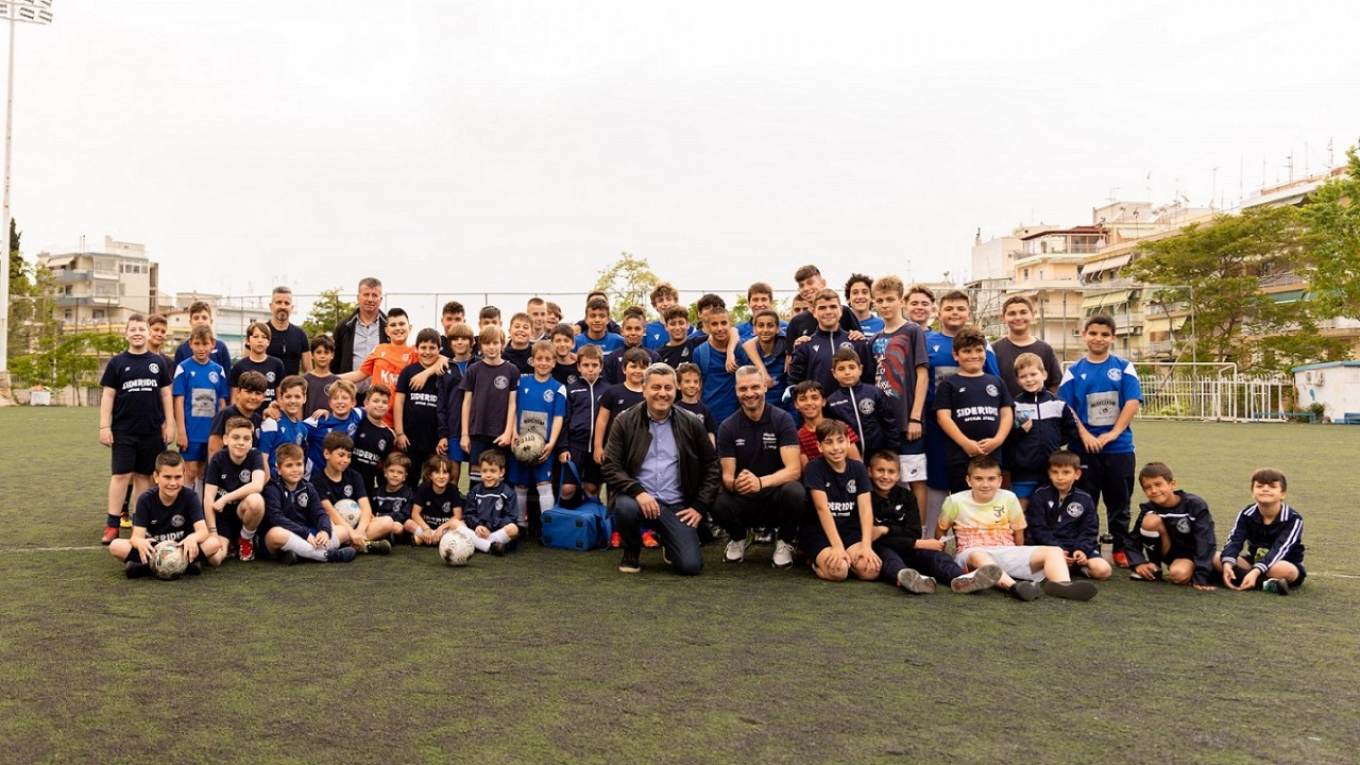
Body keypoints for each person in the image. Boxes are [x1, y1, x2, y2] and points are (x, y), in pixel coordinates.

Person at [602, 362, 721, 575]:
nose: (662, 393)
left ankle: (669, 539)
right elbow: (611, 465)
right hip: (638, 499)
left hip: (676, 505)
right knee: (625, 508)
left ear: (676, 390)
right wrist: (638, 491)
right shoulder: (624, 420)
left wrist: (700, 506)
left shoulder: (691, 422)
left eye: (668, 388)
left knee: (690, 567)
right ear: (644, 389)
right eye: (656, 387)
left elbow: (712, 465)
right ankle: (631, 550)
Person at [937, 456, 1099, 601]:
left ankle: (1063, 585)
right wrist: (940, 558)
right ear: (968, 480)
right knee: (978, 555)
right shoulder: (954, 501)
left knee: (1054, 550)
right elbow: (941, 531)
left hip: (1007, 550)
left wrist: (1020, 554)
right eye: (978, 479)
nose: (985, 484)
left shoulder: (1009, 497)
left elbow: (1018, 530)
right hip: (971, 552)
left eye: (991, 479)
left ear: (1000, 480)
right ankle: (1014, 587)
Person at [1058, 314, 1142, 568]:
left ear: (1113, 338)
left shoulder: (1124, 367)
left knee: (1119, 501)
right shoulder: (1073, 372)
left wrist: (1113, 433)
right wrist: (1084, 434)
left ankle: (1120, 547)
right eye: (1093, 333)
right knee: (1085, 501)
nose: (1098, 338)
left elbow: (1132, 401)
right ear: (1084, 335)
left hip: (1119, 448)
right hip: (1083, 449)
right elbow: (1066, 407)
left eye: (1105, 334)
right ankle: (1086, 546)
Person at [866, 450, 1001, 594]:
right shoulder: (866, 497)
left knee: (938, 556)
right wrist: (914, 542)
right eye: (880, 470)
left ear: (899, 475)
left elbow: (914, 532)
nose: (885, 476)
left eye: (891, 472)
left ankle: (962, 578)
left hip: (910, 549)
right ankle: (910, 580)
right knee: (889, 558)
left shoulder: (907, 496)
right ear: (869, 471)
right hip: (882, 550)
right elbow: (874, 539)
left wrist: (886, 530)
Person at [712, 367, 806, 569]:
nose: (749, 393)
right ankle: (738, 537)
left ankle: (784, 541)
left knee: (795, 492)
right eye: (743, 389)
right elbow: (727, 476)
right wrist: (736, 483)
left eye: (755, 387)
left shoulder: (783, 419)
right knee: (717, 500)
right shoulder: (728, 426)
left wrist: (761, 482)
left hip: (775, 496)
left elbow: (794, 470)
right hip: (745, 496)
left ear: (764, 386)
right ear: (736, 391)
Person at [99, 314, 175, 544]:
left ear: (148, 333)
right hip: (123, 431)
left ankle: (138, 524)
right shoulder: (117, 362)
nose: (137, 333)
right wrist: (104, 426)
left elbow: (166, 394)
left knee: (144, 477)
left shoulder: (157, 362)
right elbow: (108, 395)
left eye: (141, 329)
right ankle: (112, 524)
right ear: (126, 334)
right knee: (121, 475)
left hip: (151, 431)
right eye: (133, 329)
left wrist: (169, 423)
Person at [110, 451, 220, 577]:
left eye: (178, 477)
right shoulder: (145, 499)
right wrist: (139, 542)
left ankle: (145, 567)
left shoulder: (190, 497)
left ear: (184, 476)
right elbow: (136, 537)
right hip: (153, 550)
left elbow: (203, 531)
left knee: (214, 543)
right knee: (116, 546)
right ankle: (186, 565)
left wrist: (193, 538)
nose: (172, 483)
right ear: (156, 477)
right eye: (167, 477)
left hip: (182, 548)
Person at [872, 275, 929, 514]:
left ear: (901, 301)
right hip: (884, 423)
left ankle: (920, 531)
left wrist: (915, 417)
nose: (885, 304)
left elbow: (923, 375)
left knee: (915, 479)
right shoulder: (875, 339)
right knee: (885, 480)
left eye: (890, 299)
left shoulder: (912, 331)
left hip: (908, 422)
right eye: (880, 300)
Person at [933, 325, 1013, 494]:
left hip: (992, 454)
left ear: (985, 352)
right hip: (960, 456)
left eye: (978, 350)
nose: (973, 355)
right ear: (956, 355)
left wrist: (997, 440)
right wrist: (965, 443)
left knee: (989, 500)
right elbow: (943, 417)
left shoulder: (997, 382)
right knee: (963, 502)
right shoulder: (948, 385)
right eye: (967, 351)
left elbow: (1007, 414)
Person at [800, 420, 880, 582]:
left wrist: (866, 546)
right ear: (820, 446)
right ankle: (811, 560)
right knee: (839, 571)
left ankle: (848, 560)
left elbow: (866, 509)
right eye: (829, 442)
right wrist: (837, 546)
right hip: (820, 533)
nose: (836, 447)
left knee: (871, 570)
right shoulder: (814, 468)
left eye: (840, 441)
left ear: (848, 442)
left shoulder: (858, 468)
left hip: (849, 532)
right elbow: (822, 508)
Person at [1125, 462, 1217, 590]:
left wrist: (1201, 577)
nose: (1154, 491)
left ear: (1172, 484)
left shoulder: (1195, 505)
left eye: (1158, 484)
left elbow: (1205, 541)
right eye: (1148, 487)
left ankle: (1206, 570)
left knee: (1223, 563)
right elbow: (1132, 541)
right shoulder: (1149, 510)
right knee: (1150, 521)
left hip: (1194, 553)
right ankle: (1155, 568)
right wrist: (1138, 563)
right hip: (1174, 556)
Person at [261, 443, 357, 564]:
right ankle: (326, 556)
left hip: (307, 535)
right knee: (275, 534)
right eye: (289, 465)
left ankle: (302, 555)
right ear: (279, 470)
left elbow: (320, 513)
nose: (295, 469)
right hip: (285, 536)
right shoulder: (272, 488)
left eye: (299, 464)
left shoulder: (308, 487)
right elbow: (276, 518)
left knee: (342, 531)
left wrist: (324, 531)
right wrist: (305, 534)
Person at [1215, 467, 1306, 595]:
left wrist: (1256, 571)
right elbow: (1235, 540)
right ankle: (1263, 584)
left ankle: (1245, 577)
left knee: (1280, 569)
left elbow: (1280, 549)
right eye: (1259, 486)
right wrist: (1228, 564)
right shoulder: (1246, 514)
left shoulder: (1293, 519)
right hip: (1253, 561)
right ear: (1253, 492)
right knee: (1215, 557)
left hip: (1283, 563)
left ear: (1282, 494)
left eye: (1272, 486)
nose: (1265, 489)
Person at [1024, 451, 1113, 581]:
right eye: (1055, 472)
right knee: (1038, 564)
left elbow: (1089, 529)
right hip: (1050, 547)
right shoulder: (1040, 495)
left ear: (1077, 474)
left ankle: (1079, 566)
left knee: (1103, 570)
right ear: (1049, 474)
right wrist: (1058, 549)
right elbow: (1038, 528)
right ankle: (1061, 566)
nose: (1060, 477)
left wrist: (1081, 550)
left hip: (1077, 546)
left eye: (1066, 472)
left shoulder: (1085, 498)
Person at [1007, 352, 1078, 507]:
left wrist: (1055, 441)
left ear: (1044, 374)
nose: (1029, 379)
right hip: (1023, 472)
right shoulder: (1016, 406)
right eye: (1023, 376)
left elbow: (1072, 429)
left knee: (1050, 509)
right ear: (1018, 380)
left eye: (1033, 374)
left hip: (1051, 470)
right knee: (1022, 510)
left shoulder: (1057, 403)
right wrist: (1020, 431)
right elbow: (1007, 436)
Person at [509, 340, 567, 526]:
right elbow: (513, 409)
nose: (543, 363)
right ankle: (520, 525)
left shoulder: (558, 388)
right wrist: (513, 433)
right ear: (532, 361)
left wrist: (552, 444)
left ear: (554, 362)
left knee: (544, 485)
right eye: (539, 359)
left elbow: (558, 418)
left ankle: (548, 527)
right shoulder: (521, 383)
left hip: (544, 447)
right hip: (521, 444)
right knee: (521, 485)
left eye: (548, 359)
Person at [311, 431, 395, 555]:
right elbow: (330, 511)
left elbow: (366, 508)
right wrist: (351, 533)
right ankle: (365, 545)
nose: (345, 460)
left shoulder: (354, 476)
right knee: (333, 526)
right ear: (327, 453)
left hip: (356, 526)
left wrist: (359, 532)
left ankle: (353, 544)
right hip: (337, 527)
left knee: (387, 522)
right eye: (341, 455)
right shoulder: (317, 481)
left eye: (349, 456)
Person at [172, 324, 231, 494]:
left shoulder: (218, 370)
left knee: (205, 472)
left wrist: (222, 431)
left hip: (212, 432)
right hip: (191, 431)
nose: (201, 348)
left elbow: (222, 403)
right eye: (197, 344)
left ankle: (201, 509)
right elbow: (178, 401)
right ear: (190, 344)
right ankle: (188, 508)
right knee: (190, 471)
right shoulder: (183, 368)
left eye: (205, 344)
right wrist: (181, 432)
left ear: (213, 344)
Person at [202, 416, 268, 564]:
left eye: (246, 438)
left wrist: (226, 498)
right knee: (215, 559)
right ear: (225, 439)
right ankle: (229, 543)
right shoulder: (218, 459)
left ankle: (245, 539)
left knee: (256, 501)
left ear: (251, 441)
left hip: (243, 513)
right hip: (222, 517)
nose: (241, 442)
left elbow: (257, 485)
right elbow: (208, 497)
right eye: (236, 437)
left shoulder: (255, 455)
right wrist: (212, 531)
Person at [459, 325, 520, 483]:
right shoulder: (473, 370)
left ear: (502, 344)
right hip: (477, 432)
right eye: (487, 343)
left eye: (495, 342)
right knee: (476, 476)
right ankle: (475, 500)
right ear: (481, 346)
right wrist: (465, 435)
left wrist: (508, 432)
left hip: (501, 434)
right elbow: (466, 403)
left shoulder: (512, 370)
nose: (491, 347)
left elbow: (513, 403)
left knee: (497, 476)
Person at [787, 288, 873, 396]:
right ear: (814, 312)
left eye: (833, 307)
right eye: (822, 308)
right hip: (818, 406)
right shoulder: (804, 346)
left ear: (841, 310)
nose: (828, 312)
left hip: (853, 405)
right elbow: (795, 384)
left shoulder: (857, 342)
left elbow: (869, 380)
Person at [825, 347, 897, 456]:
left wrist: (892, 452)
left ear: (860, 369)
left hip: (878, 456)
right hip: (849, 458)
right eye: (841, 369)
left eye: (852, 367)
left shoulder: (875, 393)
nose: (847, 372)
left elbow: (889, 424)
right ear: (834, 373)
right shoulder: (831, 402)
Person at [394, 328, 445, 480]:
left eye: (432, 348)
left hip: (434, 440)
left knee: (432, 482)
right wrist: (400, 433)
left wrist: (444, 436)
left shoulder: (443, 373)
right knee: (410, 479)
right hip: (410, 439)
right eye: (423, 347)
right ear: (416, 349)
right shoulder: (408, 371)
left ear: (439, 349)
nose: (427, 352)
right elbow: (399, 402)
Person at [559, 344, 607, 502]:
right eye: (586, 365)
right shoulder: (571, 390)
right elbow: (564, 421)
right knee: (567, 489)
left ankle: (590, 517)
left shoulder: (608, 390)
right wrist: (563, 448)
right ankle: (566, 515)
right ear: (578, 367)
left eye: (594, 365)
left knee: (591, 488)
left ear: (601, 367)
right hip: (575, 445)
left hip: (597, 447)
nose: (590, 369)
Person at [991, 295, 1061, 396]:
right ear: (1003, 318)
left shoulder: (1045, 349)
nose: (1018, 318)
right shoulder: (993, 350)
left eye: (1023, 312)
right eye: (1012, 313)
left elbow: (1055, 386)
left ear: (1033, 314)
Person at [435, 323, 476, 485]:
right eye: (455, 339)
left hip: (477, 429)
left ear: (472, 342)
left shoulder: (480, 364)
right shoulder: (444, 368)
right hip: (453, 429)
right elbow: (441, 404)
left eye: (464, 338)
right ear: (450, 343)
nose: (459, 342)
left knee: (477, 478)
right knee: (452, 478)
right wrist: (443, 434)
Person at [457, 450, 520, 556]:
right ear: (480, 471)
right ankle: (491, 546)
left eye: (493, 471)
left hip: (496, 531)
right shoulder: (475, 491)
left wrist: (489, 527)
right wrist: (478, 525)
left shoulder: (508, 492)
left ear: (501, 472)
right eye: (484, 471)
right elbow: (468, 514)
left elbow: (511, 517)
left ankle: (479, 544)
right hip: (478, 531)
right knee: (455, 523)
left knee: (513, 529)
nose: (488, 475)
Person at [593, 348, 650, 466]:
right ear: (624, 369)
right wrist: (598, 446)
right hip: (615, 448)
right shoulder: (612, 392)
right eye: (633, 366)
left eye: (642, 367)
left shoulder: (650, 394)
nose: (638, 371)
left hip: (643, 450)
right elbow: (602, 420)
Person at [691, 303, 746, 424]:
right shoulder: (700, 353)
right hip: (710, 416)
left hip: (739, 419)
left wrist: (730, 352)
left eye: (724, 323)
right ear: (708, 327)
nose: (720, 328)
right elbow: (697, 387)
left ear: (730, 324)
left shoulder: (741, 349)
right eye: (714, 324)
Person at [301, 377, 364, 479]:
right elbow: (293, 428)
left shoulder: (358, 414)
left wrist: (389, 430)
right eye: (335, 398)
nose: (340, 401)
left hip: (340, 478)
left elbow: (374, 411)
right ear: (330, 403)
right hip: (314, 478)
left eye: (344, 398)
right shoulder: (317, 421)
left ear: (353, 403)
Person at [792, 380, 861, 467]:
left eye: (815, 398)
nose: (809, 403)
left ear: (823, 401)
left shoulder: (841, 427)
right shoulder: (799, 437)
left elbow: (857, 463)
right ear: (796, 404)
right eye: (803, 399)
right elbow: (807, 470)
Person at [333, 277, 388, 385]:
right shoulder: (343, 327)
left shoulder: (390, 328)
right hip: (348, 392)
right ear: (358, 298)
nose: (370, 299)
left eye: (375, 295)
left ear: (381, 299)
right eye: (366, 294)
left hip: (381, 393)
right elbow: (334, 362)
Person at [786, 264, 863, 340]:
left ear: (823, 283)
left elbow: (860, 341)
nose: (806, 288)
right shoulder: (796, 322)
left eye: (810, 283)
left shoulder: (845, 312)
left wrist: (858, 336)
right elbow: (790, 348)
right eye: (801, 285)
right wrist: (798, 346)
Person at [207, 370, 267, 461]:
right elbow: (213, 450)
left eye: (258, 393)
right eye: (248, 392)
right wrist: (215, 469)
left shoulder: (257, 419)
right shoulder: (225, 414)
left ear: (264, 396)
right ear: (238, 392)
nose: (253, 397)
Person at [739, 309, 790, 410]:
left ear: (778, 329)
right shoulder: (745, 355)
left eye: (770, 326)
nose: (765, 330)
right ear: (754, 329)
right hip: (755, 412)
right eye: (761, 325)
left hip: (782, 412)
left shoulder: (786, 351)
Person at [408, 454, 465, 546]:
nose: (441, 476)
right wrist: (426, 528)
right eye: (437, 472)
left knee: (461, 525)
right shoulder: (423, 488)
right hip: (427, 529)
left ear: (450, 475)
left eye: (445, 472)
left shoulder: (453, 489)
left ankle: (426, 540)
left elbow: (457, 516)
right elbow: (415, 514)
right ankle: (436, 540)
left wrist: (441, 528)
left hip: (445, 529)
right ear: (430, 475)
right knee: (408, 523)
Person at [229, 322, 287, 406]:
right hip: (246, 413)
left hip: (270, 412)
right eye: (255, 337)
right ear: (248, 340)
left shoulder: (277, 364)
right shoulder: (239, 366)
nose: (260, 340)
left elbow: (280, 397)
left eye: (264, 337)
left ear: (269, 341)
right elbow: (234, 399)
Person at [602, 308, 660, 385]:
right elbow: (606, 384)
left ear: (644, 331)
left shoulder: (654, 357)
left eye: (637, 329)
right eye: (629, 328)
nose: (633, 333)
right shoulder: (613, 358)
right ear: (622, 331)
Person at [172, 301, 233, 372]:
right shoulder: (181, 350)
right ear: (190, 322)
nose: (200, 321)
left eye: (204, 318)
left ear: (211, 321)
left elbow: (227, 376)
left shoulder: (221, 347)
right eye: (196, 318)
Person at [265, 286, 312, 375]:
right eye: (278, 302)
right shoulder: (261, 332)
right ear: (271, 306)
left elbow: (308, 371)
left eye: (287, 303)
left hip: (292, 383)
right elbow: (246, 367)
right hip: (266, 383)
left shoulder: (300, 334)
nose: (283, 306)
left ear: (291, 307)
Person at [371, 453, 417, 541]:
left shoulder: (409, 495)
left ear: (405, 476)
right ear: (385, 472)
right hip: (377, 523)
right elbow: (371, 512)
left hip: (396, 525)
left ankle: (383, 537)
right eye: (391, 471)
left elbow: (404, 515)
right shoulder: (376, 492)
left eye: (400, 472)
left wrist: (379, 515)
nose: (395, 475)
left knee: (397, 527)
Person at [674, 362, 717, 443]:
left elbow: (710, 433)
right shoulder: (674, 410)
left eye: (696, 381)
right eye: (687, 381)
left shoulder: (704, 410)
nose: (692, 385)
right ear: (678, 385)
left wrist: (712, 449)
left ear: (700, 385)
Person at [303, 334, 339, 417]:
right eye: (318, 352)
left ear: (332, 355)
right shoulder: (304, 380)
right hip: (308, 423)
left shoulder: (337, 381)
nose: (322, 356)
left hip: (331, 424)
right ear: (312, 354)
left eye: (326, 352)